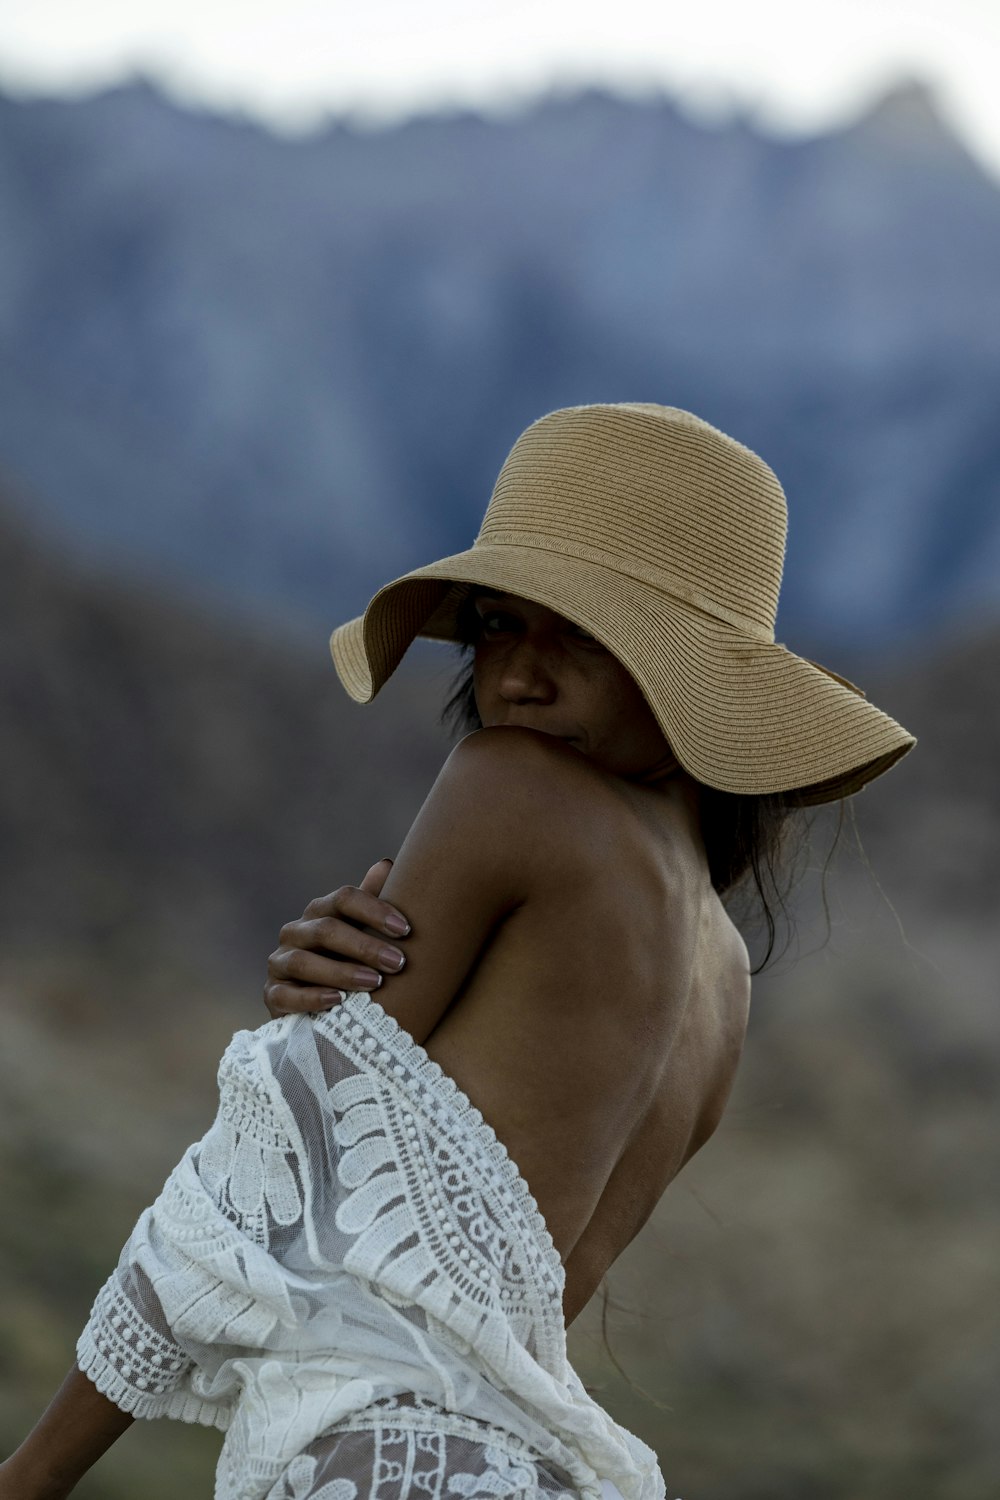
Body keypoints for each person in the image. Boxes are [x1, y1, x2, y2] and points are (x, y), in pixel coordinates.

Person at [1, 403, 914, 1500]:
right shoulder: (723, 980)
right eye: (494, 625)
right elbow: (494, 1305)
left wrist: (30, 1477)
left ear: (694, 676)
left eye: (582, 633)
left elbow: (247, 1191)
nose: (518, 678)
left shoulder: (511, 788)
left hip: (385, 1464)